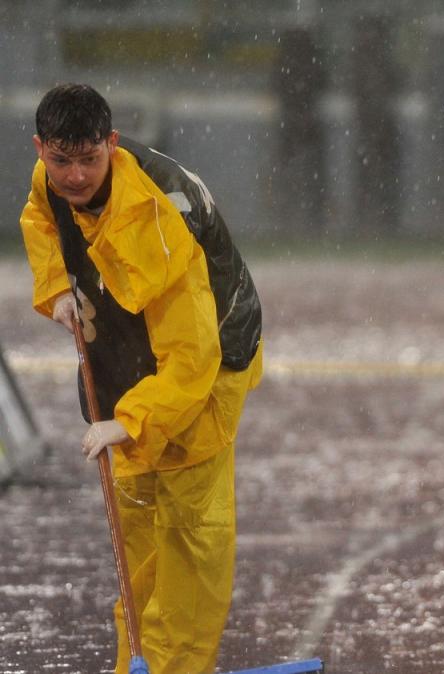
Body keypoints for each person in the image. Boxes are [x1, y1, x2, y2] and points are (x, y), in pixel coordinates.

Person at [19, 83, 263, 674]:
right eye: (61, 160)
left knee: (187, 535)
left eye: (89, 159)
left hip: (208, 363)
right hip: (130, 357)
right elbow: (41, 218)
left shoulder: (155, 220)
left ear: (113, 144)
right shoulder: (49, 179)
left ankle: (177, 668)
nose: (74, 176)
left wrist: (129, 422)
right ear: (41, 149)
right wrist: (56, 289)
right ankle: (139, 662)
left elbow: (192, 356)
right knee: (136, 527)